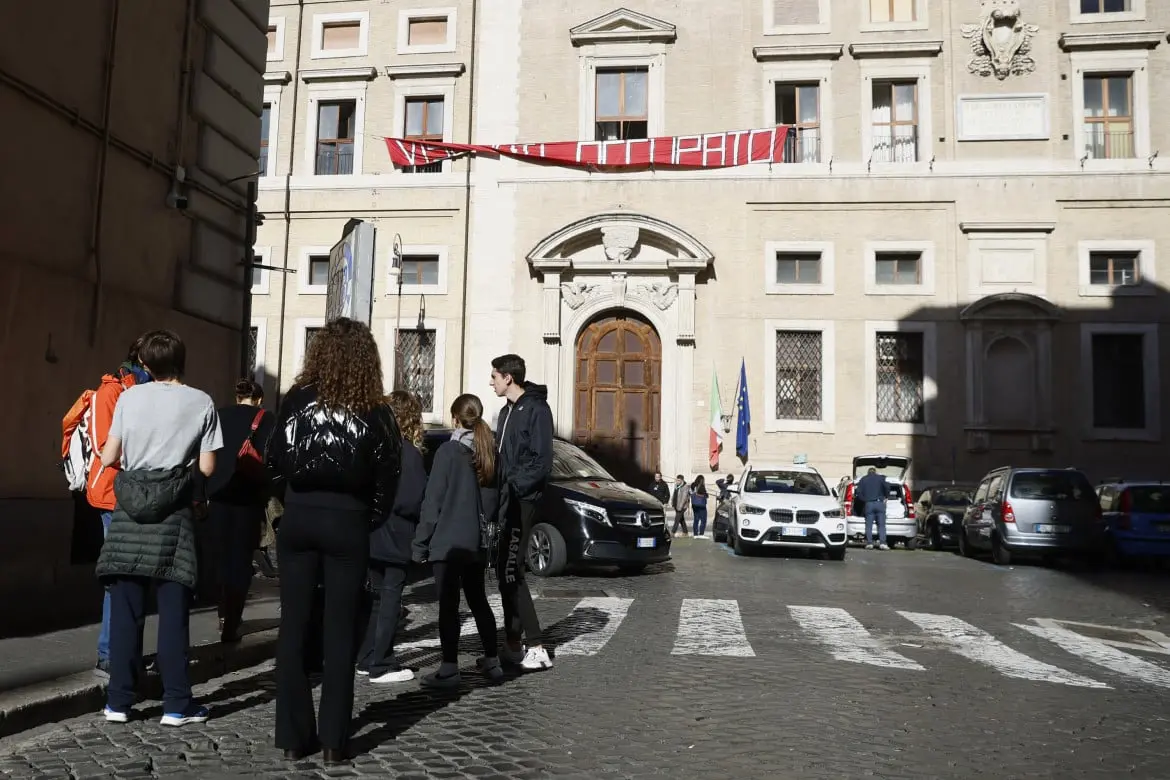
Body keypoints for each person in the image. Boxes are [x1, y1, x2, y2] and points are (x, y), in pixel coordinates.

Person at [265, 318, 402, 765]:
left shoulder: (295, 400)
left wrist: (289, 499)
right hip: (348, 518)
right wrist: (367, 518)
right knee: (341, 629)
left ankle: (291, 736)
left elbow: (273, 459)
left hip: (301, 515)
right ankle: (333, 741)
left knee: (294, 625)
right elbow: (388, 476)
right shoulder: (375, 409)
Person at [94, 329, 222, 726]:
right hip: (174, 519)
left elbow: (110, 455)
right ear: (181, 361)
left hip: (130, 516)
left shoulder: (130, 397)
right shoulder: (201, 401)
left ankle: (118, 702)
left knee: (126, 613)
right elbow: (206, 468)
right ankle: (176, 705)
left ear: (145, 365)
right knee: (173, 615)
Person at [412, 394, 502, 688]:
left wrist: (420, 544)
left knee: (449, 606)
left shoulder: (449, 452)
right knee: (478, 601)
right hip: (475, 542)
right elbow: (492, 502)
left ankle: (449, 667)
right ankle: (492, 659)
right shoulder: (487, 450)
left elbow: (432, 501)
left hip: (448, 542)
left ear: (454, 418)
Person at [80, 337, 152, 677]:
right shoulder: (111, 391)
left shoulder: (150, 392)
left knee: (135, 576)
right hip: (113, 495)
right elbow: (103, 445)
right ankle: (110, 653)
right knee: (119, 576)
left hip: (141, 495)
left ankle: (127, 653)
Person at [490, 353, 553, 672]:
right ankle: (513, 643)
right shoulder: (504, 413)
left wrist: (514, 487)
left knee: (513, 570)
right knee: (504, 571)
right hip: (505, 499)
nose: (492, 382)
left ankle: (538, 646)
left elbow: (541, 461)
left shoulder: (537, 410)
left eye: (495, 377)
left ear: (508, 378)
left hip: (522, 500)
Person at [359, 390, 427, 684]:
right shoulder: (407, 452)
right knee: (389, 598)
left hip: (373, 532)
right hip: (397, 533)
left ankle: (366, 657)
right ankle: (382, 662)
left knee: (375, 598)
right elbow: (411, 499)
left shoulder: (374, 447)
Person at [205, 378, 274, 642]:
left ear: (238, 397)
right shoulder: (266, 419)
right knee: (241, 560)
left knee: (221, 557)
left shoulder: (219, 416)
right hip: (249, 498)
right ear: (258, 399)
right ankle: (232, 620)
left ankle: (222, 611)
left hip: (219, 494)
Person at [856, 467, 891, 551]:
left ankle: (869, 543)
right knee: (881, 525)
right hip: (879, 503)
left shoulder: (863, 479)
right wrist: (886, 496)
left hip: (869, 504)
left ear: (868, 472)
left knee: (869, 525)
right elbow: (887, 487)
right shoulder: (881, 478)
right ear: (875, 472)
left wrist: (865, 500)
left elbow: (858, 492)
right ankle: (882, 543)